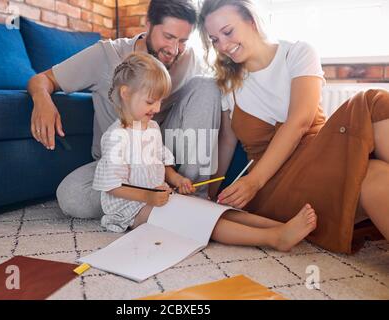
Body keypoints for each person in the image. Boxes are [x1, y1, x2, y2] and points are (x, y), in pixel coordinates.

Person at [198, 0, 389, 253]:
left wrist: (253, 181)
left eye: (227, 32)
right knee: (374, 174)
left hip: (320, 156)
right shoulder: (228, 84)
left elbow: (300, 121)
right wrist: (210, 192)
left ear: (251, 22)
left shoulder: (297, 53)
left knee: (376, 106)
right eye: (214, 40)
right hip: (274, 182)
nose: (223, 45)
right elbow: (226, 142)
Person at [94, 52, 318, 252]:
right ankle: (274, 238)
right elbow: (113, 186)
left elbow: (162, 163)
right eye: (151, 101)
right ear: (125, 93)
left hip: (157, 197)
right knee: (198, 221)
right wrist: (147, 196)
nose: (158, 109)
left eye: (161, 101)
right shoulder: (117, 137)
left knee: (210, 208)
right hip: (131, 210)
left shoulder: (151, 127)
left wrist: (178, 178)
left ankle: (282, 226)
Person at [27, 0, 222, 220]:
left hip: (166, 156)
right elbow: (42, 79)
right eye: (168, 37)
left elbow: (212, 101)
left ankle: (192, 196)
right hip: (122, 165)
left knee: (208, 85)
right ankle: (153, 199)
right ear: (148, 25)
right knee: (72, 196)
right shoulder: (106, 55)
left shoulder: (188, 59)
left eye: (183, 41)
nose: (174, 50)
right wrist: (42, 99)